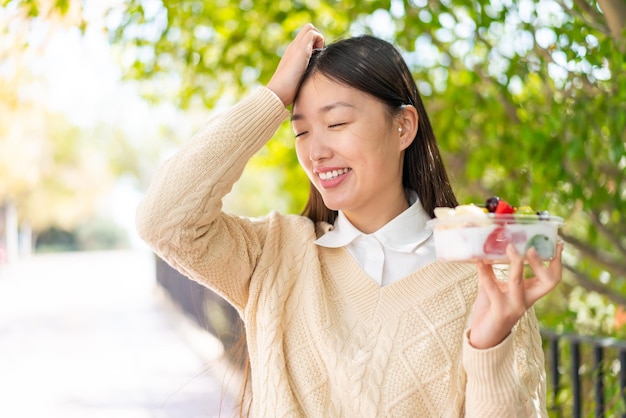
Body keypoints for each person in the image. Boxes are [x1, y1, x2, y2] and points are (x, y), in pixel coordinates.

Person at [136, 23, 564, 417]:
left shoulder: (486, 282)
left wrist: (490, 343)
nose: (315, 151)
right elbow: (164, 220)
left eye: (337, 122)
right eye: (301, 131)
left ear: (403, 127)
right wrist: (273, 96)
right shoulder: (274, 257)